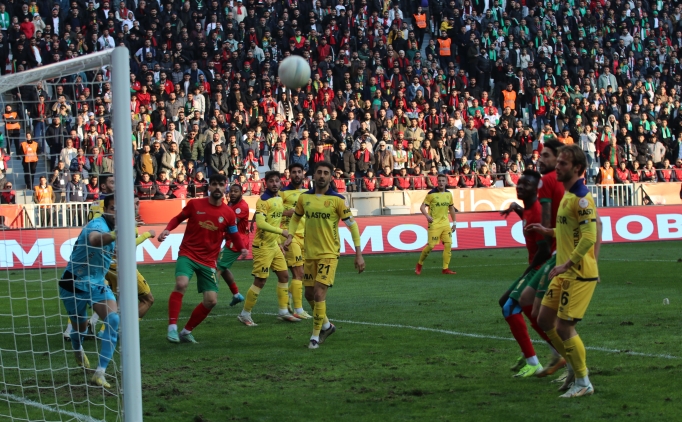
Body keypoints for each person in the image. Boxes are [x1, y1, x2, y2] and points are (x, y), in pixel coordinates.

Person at [527, 144, 600, 398]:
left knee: (565, 327)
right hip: (564, 271)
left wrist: (566, 264)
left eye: (563, 163)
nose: (557, 167)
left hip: (578, 273)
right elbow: (571, 230)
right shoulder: (568, 194)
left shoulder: (582, 198)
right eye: (557, 162)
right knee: (544, 319)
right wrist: (548, 231)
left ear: (577, 168)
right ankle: (572, 366)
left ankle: (583, 381)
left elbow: (589, 236)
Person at [284, 161, 365, 349]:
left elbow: (352, 226)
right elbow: (296, 217)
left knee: (319, 293)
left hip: (329, 253)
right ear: (313, 175)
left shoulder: (337, 200)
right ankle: (327, 326)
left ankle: (315, 336)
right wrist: (290, 235)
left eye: (326, 173)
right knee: (309, 294)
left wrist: (358, 254)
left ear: (331, 177)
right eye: (319, 172)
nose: (322, 175)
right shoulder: (305, 198)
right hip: (310, 253)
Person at [158, 174, 247, 343]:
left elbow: (234, 234)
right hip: (188, 254)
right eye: (214, 184)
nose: (218, 187)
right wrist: (167, 229)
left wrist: (242, 247)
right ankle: (172, 327)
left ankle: (186, 332)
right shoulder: (195, 204)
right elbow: (178, 218)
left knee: (211, 300)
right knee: (181, 284)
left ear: (225, 187)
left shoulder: (228, 213)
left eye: (221, 184)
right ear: (209, 187)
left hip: (208, 260)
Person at [58, 194, 118, 388]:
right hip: (74, 282)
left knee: (113, 320)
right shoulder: (97, 224)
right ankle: (77, 347)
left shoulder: (120, 228)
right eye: (113, 209)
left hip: (97, 282)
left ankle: (100, 373)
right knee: (81, 328)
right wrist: (118, 234)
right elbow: (94, 240)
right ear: (105, 210)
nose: (117, 213)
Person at [498, 169, 551, 377]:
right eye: (519, 183)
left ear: (536, 188)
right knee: (514, 306)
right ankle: (534, 354)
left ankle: (534, 360)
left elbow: (544, 250)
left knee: (510, 306)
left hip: (541, 268)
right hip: (537, 267)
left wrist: (527, 271)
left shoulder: (537, 211)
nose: (520, 186)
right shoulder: (529, 209)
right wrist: (516, 208)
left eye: (526, 184)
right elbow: (528, 220)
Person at [238, 170, 300, 326]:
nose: (274, 184)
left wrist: (278, 242)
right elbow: (261, 223)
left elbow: (275, 218)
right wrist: (281, 232)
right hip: (263, 246)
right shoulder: (263, 200)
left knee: (284, 276)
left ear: (280, 182)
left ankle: (283, 311)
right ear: (266, 183)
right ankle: (245, 314)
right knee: (260, 280)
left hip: (274, 245)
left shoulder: (278, 198)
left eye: (277, 181)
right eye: (271, 181)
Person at [278, 163, 311, 320]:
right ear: (289, 175)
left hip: (306, 235)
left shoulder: (309, 193)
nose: (297, 174)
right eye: (294, 172)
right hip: (289, 236)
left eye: (299, 172)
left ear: (303, 174)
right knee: (299, 273)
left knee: (303, 275)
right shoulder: (283, 192)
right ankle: (298, 309)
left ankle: (290, 295)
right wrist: (286, 212)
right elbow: (273, 211)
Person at [415, 174, 457, 275]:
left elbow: (451, 208)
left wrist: (454, 222)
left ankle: (445, 268)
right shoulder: (431, 194)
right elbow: (422, 207)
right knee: (431, 246)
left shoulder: (449, 194)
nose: (441, 183)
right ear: (437, 182)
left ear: (446, 182)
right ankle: (420, 264)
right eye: (440, 181)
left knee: (448, 245)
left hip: (445, 223)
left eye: (443, 181)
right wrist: (427, 216)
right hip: (434, 224)